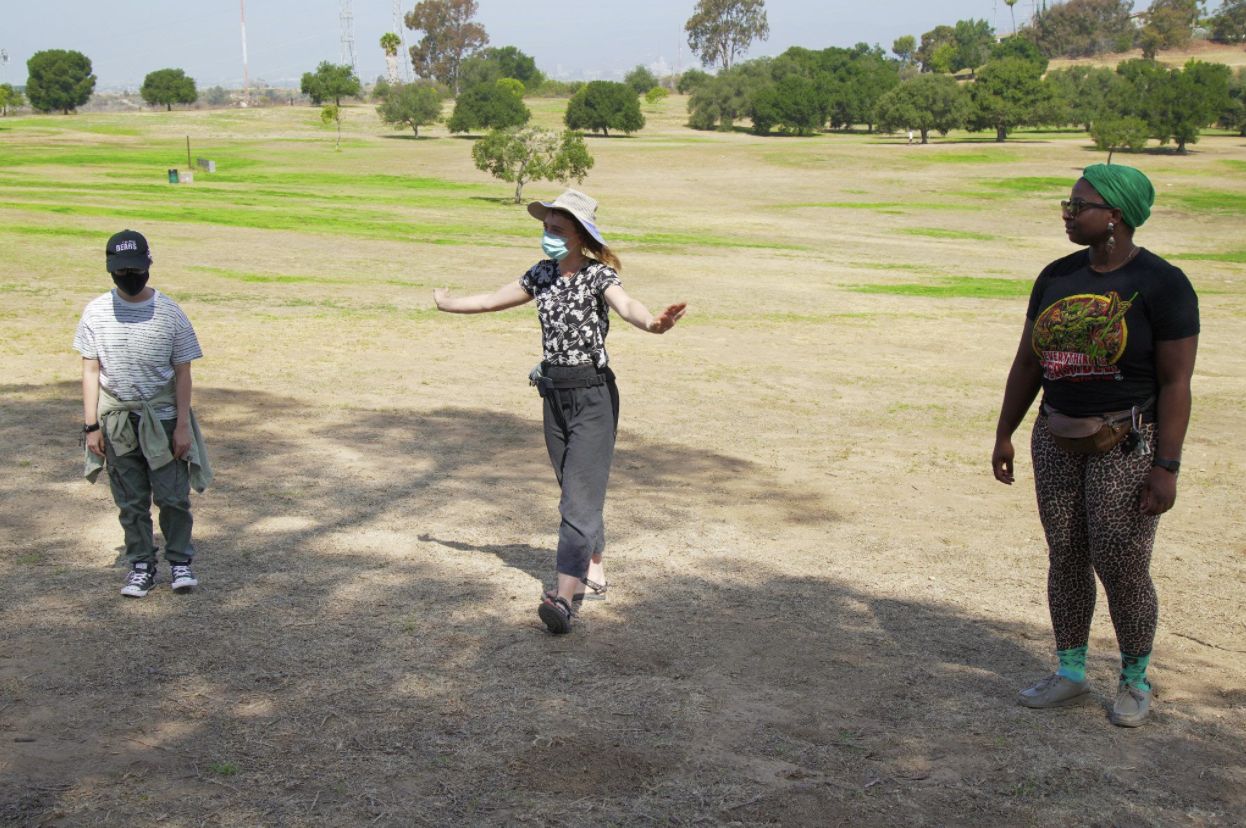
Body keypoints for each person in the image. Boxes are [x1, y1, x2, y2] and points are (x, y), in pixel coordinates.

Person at [992, 164, 1199, 727]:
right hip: (1055, 434)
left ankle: (1134, 680)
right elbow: (1029, 360)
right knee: (1066, 554)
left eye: (1078, 204)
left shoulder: (1162, 284)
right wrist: (1005, 431)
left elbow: (1176, 382)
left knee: (1122, 561)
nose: (1066, 212)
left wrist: (1167, 466)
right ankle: (1071, 673)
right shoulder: (1055, 277)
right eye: (1067, 202)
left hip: (1127, 440)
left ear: (1116, 216)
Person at [433, 189, 686, 634]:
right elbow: (494, 298)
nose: (547, 236)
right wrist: (447, 303)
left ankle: (562, 599)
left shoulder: (598, 277)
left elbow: (628, 307)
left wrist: (654, 324)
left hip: (593, 396)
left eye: (556, 230)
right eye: (545, 228)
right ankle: (594, 559)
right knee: (574, 487)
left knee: (577, 497)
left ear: (579, 236)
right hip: (554, 395)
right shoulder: (542, 274)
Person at [75, 230, 212, 598]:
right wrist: (91, 426)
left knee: (172, 496)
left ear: (149, 265)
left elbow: (183, 371)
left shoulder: (170, 312)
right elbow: (91, 370)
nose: (129, 276)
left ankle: (180, 561)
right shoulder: (95, 312)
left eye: (135, 268)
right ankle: (140, 566)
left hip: (164, 419)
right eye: (122, 270)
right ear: (110, 270)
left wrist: (182, 426)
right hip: (117, 420)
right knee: (131, 499)